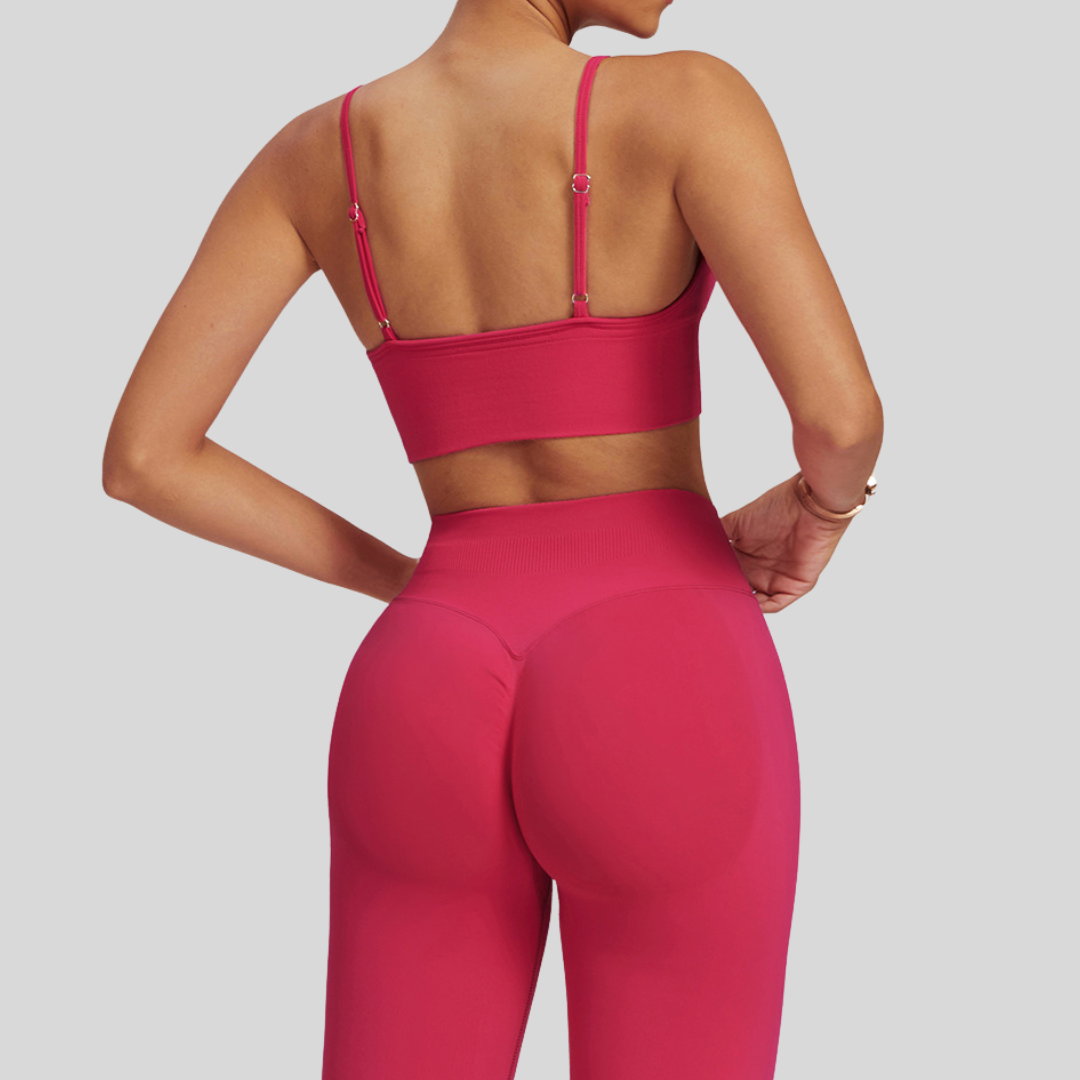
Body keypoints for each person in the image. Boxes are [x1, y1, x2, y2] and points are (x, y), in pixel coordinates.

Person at [103, 1, 884, 1077]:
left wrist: (422, 586)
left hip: (426, 675)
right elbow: (841, 421)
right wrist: (821, 510)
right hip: (665, 666)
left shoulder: (313, 155)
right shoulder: (690, 102)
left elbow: (147, 458)